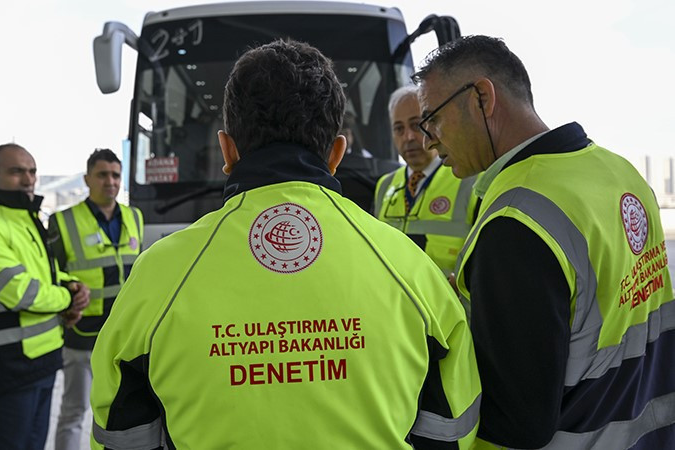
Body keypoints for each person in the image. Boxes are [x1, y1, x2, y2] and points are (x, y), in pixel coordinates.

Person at [90, 39, 480, 449]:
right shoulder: (410, 268)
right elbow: (454, 426)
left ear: (227, 149)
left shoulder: (158, 274)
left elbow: (120, 431)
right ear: (336, 153)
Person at [414, 35, 675, 448]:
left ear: (482, 97)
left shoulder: (518, 218)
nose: (428, 140)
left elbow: (518, 421)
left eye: (432, 119)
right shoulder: (618, 171)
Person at [0, 143, 89, 450]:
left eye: (32, 171)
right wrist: (68, 298)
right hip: (8, 365)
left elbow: (45, 276)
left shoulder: (24, 219)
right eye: (16, 171)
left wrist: (73, 285)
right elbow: (22, 293)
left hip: (43, 357)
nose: (28, 179)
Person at [49, 149, 143, 450]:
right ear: (87, 178)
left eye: (116, 175)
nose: (110, 182)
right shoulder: (63, 221)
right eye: (102, 174)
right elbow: (51, 274)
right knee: (74, 411)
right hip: (83, 335)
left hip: (126, 336)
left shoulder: (135, 217)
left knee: (128, 413)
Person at [374, 85, 479, 275]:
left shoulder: (469, 180)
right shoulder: (384, 186)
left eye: (416, 125)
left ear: (433, 124)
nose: (408, 137)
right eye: (399, 128)